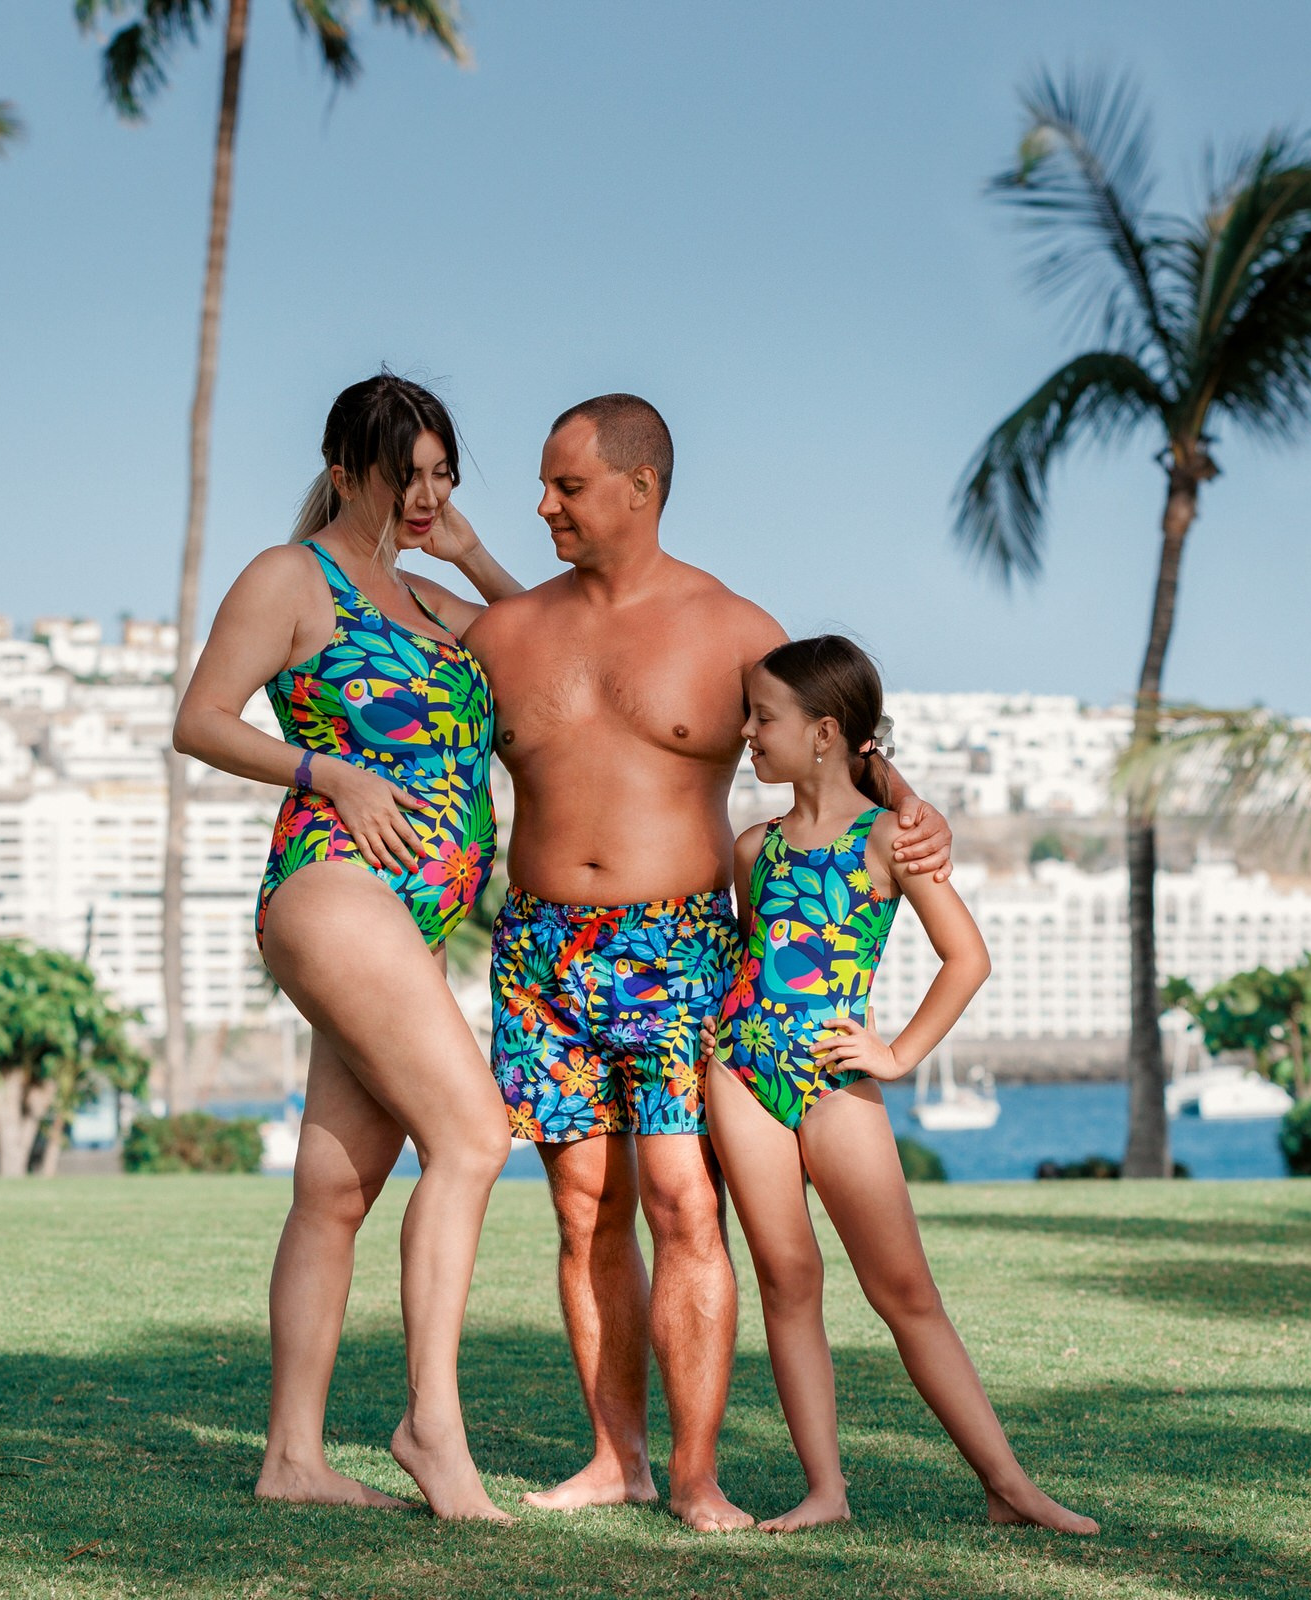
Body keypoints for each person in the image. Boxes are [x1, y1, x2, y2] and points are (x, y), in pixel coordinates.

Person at [460, 396, 953, 1530]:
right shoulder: (510, 630)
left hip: (678, 941)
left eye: (567, 487)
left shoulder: (735, 628)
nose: (543, 505)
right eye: (542, 486)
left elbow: (831, 735)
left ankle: (695, 1476)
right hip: (538, 948)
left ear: (640, 488)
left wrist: (913, 805)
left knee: (686, 1203)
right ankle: (613, 1458)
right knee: (584, 1209)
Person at [174, 373, 522, 1522]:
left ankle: (292, 1457)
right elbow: (202, 716)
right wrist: (328, 768)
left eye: (440, 474)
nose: (422, 495)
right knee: (473, 1131)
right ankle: (432, 1423)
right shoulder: (294, 578)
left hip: (409, 920)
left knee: (334, 1188)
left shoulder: (430, 599)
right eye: (402, 475)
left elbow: (548, 659)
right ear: (343, 467)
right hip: (334, 888)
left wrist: (471, 558)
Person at [708, 635, 1099, 1535]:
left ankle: (1010, 1486)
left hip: (837, 1078)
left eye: (763, 718)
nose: (747, 733)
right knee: (786, 1278)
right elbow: (750, 955)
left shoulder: (889, 838)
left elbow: (967, 958)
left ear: (825, 732)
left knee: (905, 1293)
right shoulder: (751, 846)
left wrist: (899, 1055)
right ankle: (825, 1492)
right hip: (739, 1072)